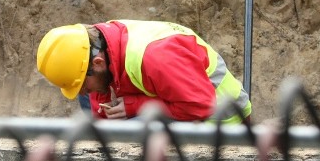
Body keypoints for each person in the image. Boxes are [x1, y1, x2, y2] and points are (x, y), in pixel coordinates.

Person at [36, 20, 251, 123]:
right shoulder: (101, 42)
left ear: (99, 63)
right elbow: (94, 91)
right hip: (175, 91)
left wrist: (134, 106)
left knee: (135, 132)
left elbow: (202, 106)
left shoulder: (156, 57)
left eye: (81, 84)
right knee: (88, 98)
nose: (81, 90)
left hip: (218, 120)